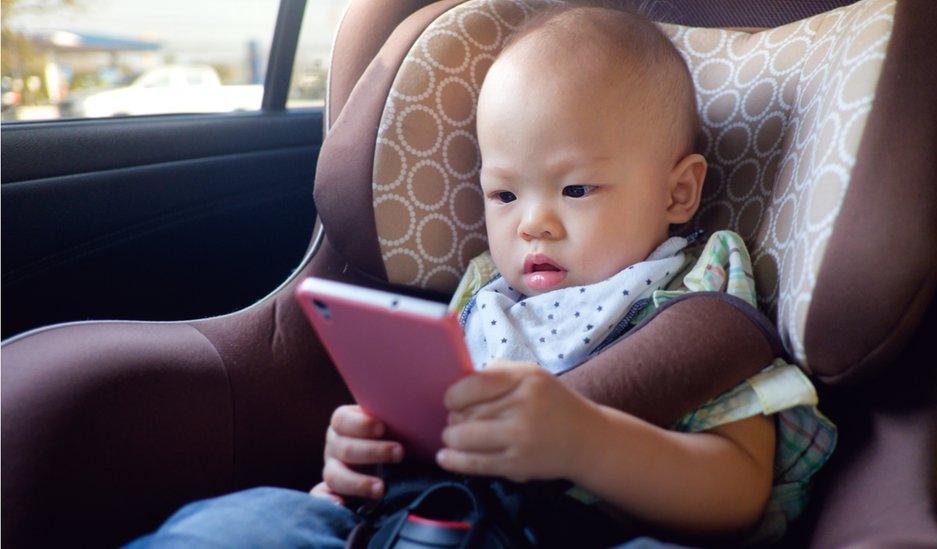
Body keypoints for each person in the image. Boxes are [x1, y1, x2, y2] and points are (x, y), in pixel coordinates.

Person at [128, 5, 834, 548]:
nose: (533, 224)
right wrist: (356, 461)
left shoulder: (695, 294)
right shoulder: (482, 297)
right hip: (428, 517)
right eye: (504, 195)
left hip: (586, 529)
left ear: (679, 193)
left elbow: (740, 488)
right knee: (245, 520)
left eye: (576, 190)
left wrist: (584, 440)